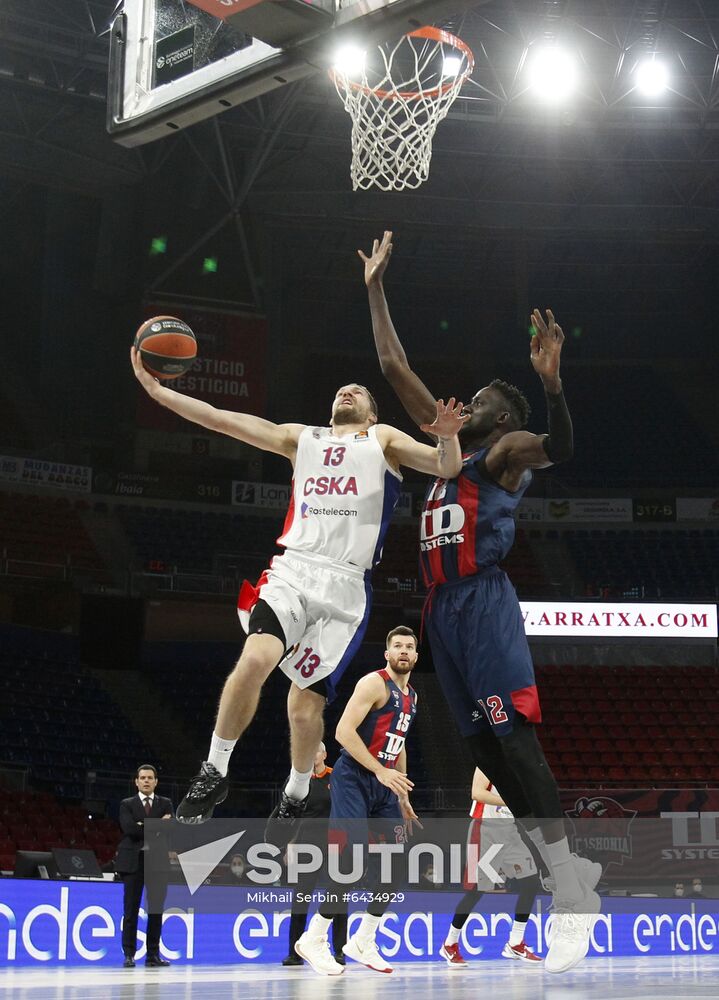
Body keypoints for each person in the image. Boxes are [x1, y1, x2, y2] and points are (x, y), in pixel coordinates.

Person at [359, 231, 600, 975]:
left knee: (517, 746)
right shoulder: (446, 450)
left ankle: (569, 891)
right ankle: (566, 880)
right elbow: (393, 365)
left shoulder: (499, 454)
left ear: (498, 420)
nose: (464, 401)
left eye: (481, 401)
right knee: (488, 755)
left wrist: (551, 382)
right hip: (439, 612)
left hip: (483, 604)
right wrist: (373, 286)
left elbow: (558, 447)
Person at [131, 347, 464, 828]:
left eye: (359, 392)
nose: (346, 391)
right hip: (293, 571)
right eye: (340, 390)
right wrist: (159, 392)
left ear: (372, 413)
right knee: (255, 659)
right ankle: (215, 769)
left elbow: (446, 467)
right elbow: (225, 420)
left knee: (303, 707)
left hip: (347, 587)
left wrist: (449, 438)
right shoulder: (300, 438)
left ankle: (296, 791)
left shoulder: (382, 439)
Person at [296, 626, 419, 976]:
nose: (404, 651)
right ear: (387, 653)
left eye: (410, 647)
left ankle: (364, 939)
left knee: (396, 866)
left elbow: (400, 742)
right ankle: (314, 938)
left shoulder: (412, 696)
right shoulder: (372, 683)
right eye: (397, 646)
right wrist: (380, 770)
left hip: (385, 784)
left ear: (416, 655)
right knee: (352, 859)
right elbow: (342, 733)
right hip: (354, 778)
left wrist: (403, 795)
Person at [440, 767, 542, 967]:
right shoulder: (485, 762)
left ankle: (515, 942)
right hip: (485, 829)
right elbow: (477, 793)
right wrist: (511, 801)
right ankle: (449, 943)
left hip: (510, 830)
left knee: (530, 882)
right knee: (476, 891)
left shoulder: (517, 766)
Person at [282, 742, 348, 967]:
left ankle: (340, 950)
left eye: (317, 750)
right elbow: (291, 816)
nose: (313, 754)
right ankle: (294, 953)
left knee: (338, 896)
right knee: (301, 897)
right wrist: (289, 844)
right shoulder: (298, 780)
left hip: (335, 842)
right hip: (306, 845)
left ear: (325, 754)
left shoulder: (336, 777)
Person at [115, 765, 174, 968]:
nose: (146, 781)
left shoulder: (166, 803)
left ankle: (152, 955)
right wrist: (156, 824)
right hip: (133, 863)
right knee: (130, 911)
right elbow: (129, 829)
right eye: (142, 778)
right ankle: (129, 954)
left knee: (156, 911)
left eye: (150, 777)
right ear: (136, 782)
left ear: (156, 781)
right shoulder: (126, 804)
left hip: (157, 864)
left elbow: (168, 830)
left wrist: (144, 825)